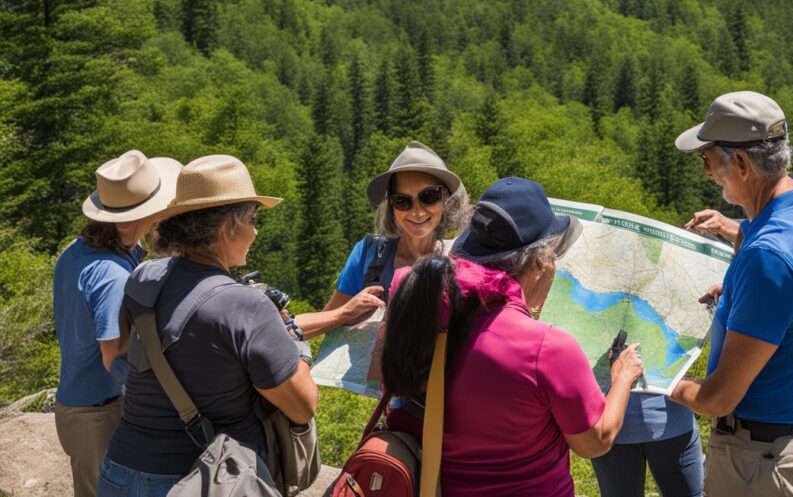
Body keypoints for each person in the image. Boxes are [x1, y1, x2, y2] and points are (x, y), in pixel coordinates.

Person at [381, 177, 645, 496]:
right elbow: (595, 441)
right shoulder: (546, 348)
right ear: (539, 262)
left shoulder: (416, 301)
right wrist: (622, 378)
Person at [99, 155, 318, 497]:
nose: (256, 232)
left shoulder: (143, 278)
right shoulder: (247, 306)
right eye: (252, 219)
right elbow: (303, 405)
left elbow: (128, 353)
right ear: (226, 228)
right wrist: (296, 345)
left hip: (119, 471)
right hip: (202, 481)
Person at [671, 91, 793, 496]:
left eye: (708, 159)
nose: (706, 172)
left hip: (759, 462)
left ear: (743, 163)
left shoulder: (769, 261)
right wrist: (733, 246)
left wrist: (663, 381)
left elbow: (718, 399)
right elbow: (781, 262)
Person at [53, 150, 182, 497]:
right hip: (96, 413)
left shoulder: (77, 250)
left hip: (78, 403)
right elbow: (110, 351)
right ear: (131, 220)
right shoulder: (111, 274)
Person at [294, 140, 469, 338]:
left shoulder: (460, 259)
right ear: (391, 208)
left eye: (428, 197)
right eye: (403, 201)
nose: (418, 212)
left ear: (445, 199)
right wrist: (345, 313)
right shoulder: (367, 254)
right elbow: (315, 324)